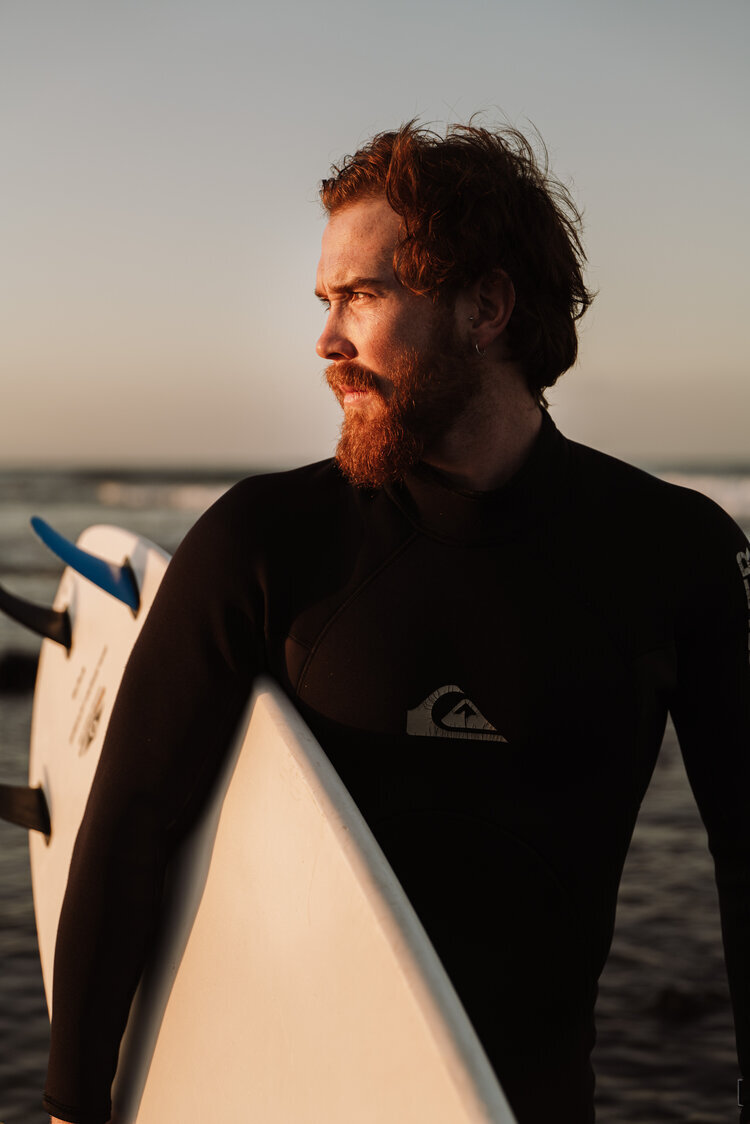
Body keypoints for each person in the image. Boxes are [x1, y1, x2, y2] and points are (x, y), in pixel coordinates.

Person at [44, 122, 750, 1124]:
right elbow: (129, 829)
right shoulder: (265, 540)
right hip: (277, 1096)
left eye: (363, 297)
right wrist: (75, 1104)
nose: (326, 342)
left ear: (487, 307)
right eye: (326, 301)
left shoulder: (674, 552)